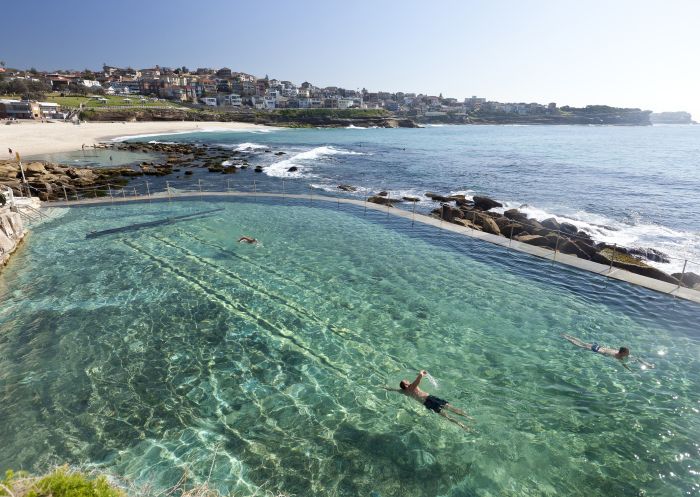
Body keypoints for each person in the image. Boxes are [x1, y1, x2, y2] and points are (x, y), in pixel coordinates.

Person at [385, 370, 472, 431]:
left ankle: (463, 426)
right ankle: (468, 417)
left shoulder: (404, 391)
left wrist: (384, 387)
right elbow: (418, 379)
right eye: (406, 381)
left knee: (446, 415)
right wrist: (421, 372)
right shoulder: (411, 387)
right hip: (430, 399)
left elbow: (393, 389)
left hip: (427, 403)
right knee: (450, 408)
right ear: (406, 385)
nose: (408, 380)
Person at [561, 334, 654, 370]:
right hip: (596, 349)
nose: (629, 353)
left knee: (583, 343)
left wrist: (647, 364)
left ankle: (568, 336)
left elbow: (637, 358)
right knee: (580, 345)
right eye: (627, 352)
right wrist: (630, 370)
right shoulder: (619, 357)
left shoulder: (619, 352)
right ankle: (566, 338)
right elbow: (623, 364)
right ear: (622, 353)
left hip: (599, 346)